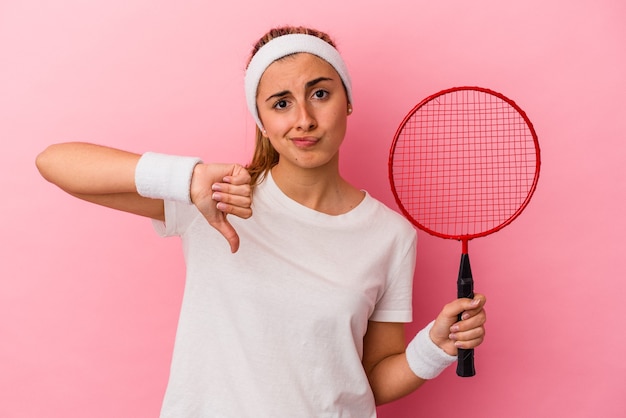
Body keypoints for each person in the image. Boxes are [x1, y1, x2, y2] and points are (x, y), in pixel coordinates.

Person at [36, 25, 486, 417]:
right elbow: (55, 162)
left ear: (347, 101)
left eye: (320, 94)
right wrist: (187, 177)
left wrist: (434, 348)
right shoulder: (216, 195)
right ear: (261, 121)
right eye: (281, 103)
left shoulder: (391, 235)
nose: (304, 120)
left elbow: (373, 379)